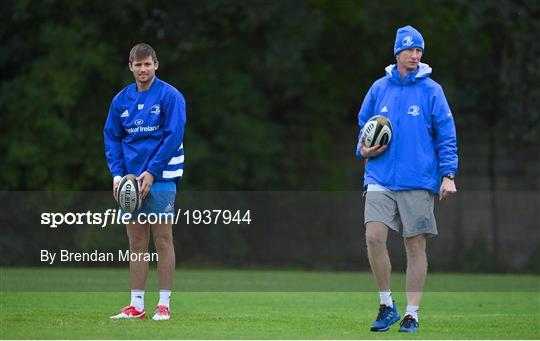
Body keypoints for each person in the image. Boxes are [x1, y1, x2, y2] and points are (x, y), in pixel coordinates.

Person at [356, 25, 457, 333]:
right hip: (380, 176)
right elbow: (363, 128)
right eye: (410, 50)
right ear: (397, 52)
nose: (415, 55)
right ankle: (387, 304)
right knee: (374, 236)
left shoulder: (432, 91)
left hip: (418, 180)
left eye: (419, 51)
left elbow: (446, 135)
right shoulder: (379, 88)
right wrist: (362, 149)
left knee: (414, 247)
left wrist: (448, 174)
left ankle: (412, 313)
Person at [104, 43, 186, 321]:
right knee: (136, 242)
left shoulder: (170, 96)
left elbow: (173, 136)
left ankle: (163, 305)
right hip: (130, 180)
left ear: (156, 65)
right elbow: (112, 138)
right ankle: (136, 306)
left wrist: (152, 171)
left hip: (161, 177)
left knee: (163, 240)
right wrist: (117, 175)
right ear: (130, 67)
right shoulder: (120, 101)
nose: (143, 69)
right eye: (137, 65)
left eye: (147, 64)